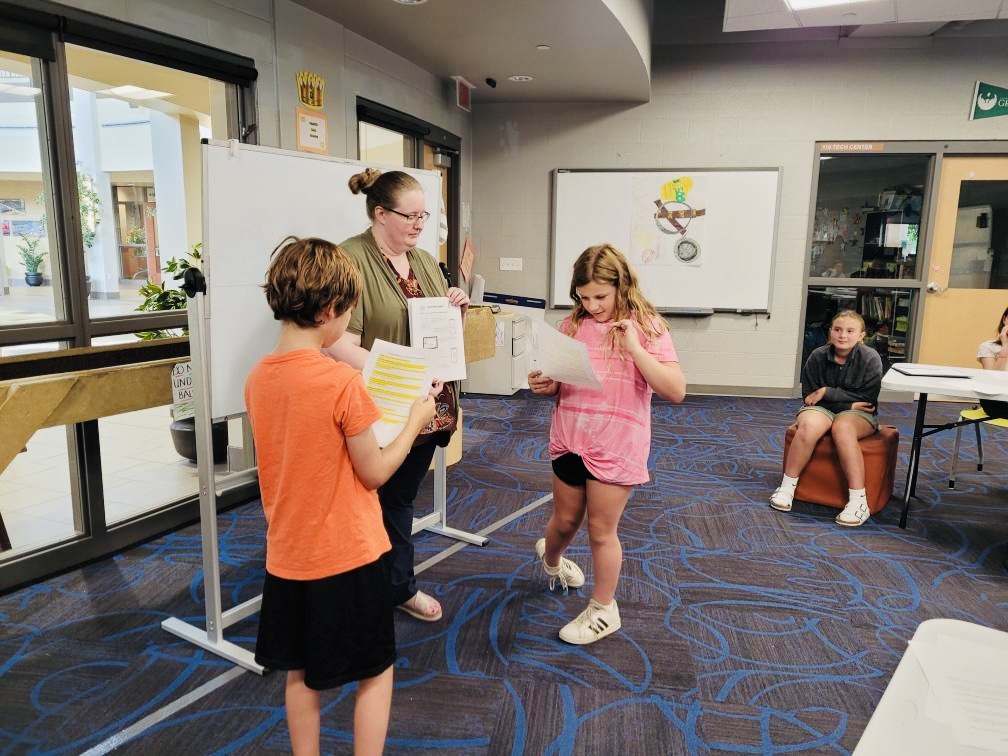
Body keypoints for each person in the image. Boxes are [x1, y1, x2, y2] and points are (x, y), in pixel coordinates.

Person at [244, 236, 436, 755]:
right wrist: (414, 422)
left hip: (288, 553)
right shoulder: (341, 383)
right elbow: (374, 473)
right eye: (349, 311)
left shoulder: (257, 378)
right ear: (330, 309)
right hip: (350, 552)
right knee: (376, 670)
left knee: (299, 670)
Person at [325, 168, 469, 623]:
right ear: (380, 213)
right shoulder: (350, 259)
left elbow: (439, 335)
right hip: (381, 406)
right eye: (410, 216)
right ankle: (379, 587)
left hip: (425, 408)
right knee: (369, 501)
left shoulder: (423, 260)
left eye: (424, 216)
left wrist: (457, 310)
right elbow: (337, 344)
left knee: (400, 500)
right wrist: (407, 375)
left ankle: (393, 587)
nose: (419, 225)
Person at [527, 244, 686, 645]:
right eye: (584, 297)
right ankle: (552, 560)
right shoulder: (572, 325)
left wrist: (635, 349)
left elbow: (675, 390)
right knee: (565, 522)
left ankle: (603, 609)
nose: (592, 305)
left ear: (621, 285)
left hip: (615, 445)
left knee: (601, 530)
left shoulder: (647, 326)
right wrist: (545, 384)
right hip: (570, 438)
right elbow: (561, 381)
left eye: (600, 296)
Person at [770, 309, 883, 527]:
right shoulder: (818, 356)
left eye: (850, 331)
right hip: (824, 409)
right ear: (830, 332)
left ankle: (858, 501)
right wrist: (845, 401)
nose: (843, 335)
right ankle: (787, 487)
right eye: (837, 330)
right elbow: (809, 398)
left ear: (861, 335)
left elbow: (867, 400)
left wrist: (826, 392)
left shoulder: (871, 358)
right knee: (809, 425)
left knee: (843, 428)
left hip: (859, 414)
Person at [975, 305, 1008, 418]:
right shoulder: (988, 346)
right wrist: (1005, 346)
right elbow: (992, 379)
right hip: (996, 401)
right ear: (1004, 319)